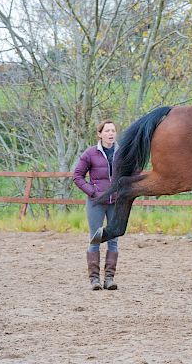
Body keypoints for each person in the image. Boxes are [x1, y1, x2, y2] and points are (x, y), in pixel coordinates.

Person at [73, 120, 119, 290]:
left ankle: (109, 279)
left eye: (113, 130)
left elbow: (133, 172)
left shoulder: (122, 152)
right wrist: (92, 191)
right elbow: (77, 176)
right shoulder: (90, 153)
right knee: (96, 238)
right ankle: (94, 280)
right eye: (107, 130)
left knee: (113, 239)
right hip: (96, 203)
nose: (111, 133)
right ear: (100, 134)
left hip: (116, 202)